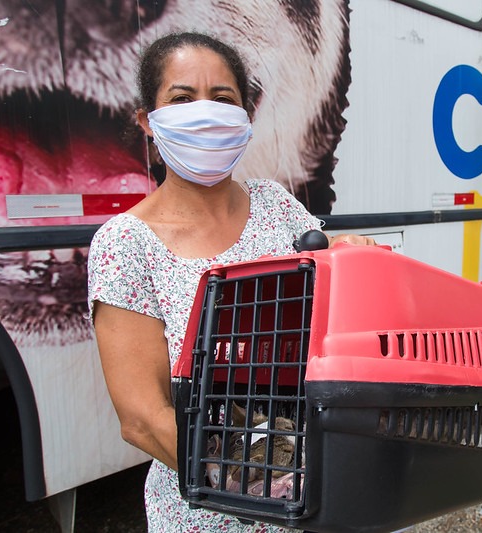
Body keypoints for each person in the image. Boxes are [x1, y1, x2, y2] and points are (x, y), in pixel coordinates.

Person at [87, 31, 374, 532]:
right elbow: (141, 416)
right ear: (147, 123)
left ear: (245, 115)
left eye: (223, 99)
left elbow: (327, 293)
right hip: (212, 513)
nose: (205, 113)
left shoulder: (275, 205)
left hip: (308, 490)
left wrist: (351, 256)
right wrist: (251, 483)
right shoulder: (125, 244)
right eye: (181, 98)